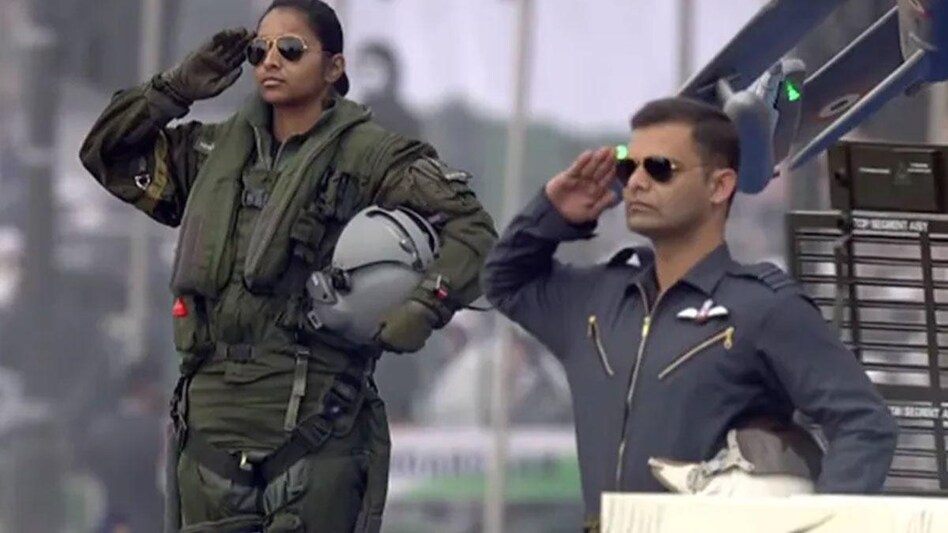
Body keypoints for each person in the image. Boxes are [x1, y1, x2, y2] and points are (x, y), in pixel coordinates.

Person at [79, 0, 497, 531]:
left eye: (291, 49)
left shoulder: (373, 157)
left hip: (314, 423)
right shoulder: (211, 152)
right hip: (208, 426)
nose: (270, 61)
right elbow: (104, 153)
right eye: (260, 50)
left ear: (334, 67)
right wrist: (176, 88)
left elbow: (474, 233)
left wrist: (426, 304)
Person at [482, 96, 898, 532]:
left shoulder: (763, 309)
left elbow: (865, 425)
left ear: (719, 186)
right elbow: (504, 281)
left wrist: (816, 526)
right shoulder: (598, 301)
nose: (637, 183)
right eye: (629, 168)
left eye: (660, 168)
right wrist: (552, 213)